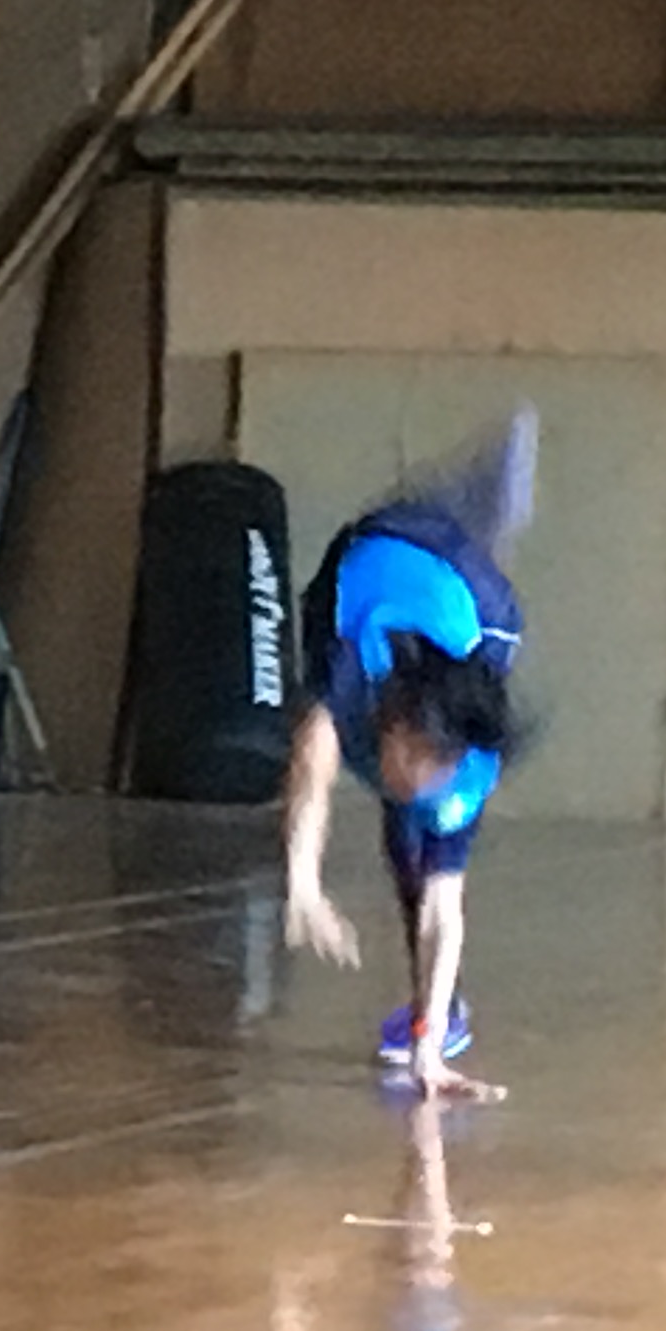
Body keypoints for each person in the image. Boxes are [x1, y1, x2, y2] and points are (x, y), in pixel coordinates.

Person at [282, 412, 533, 1103]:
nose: (423, 782)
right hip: (367, 558)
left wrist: (428, 1054)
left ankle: (437, 1016)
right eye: (416, 764)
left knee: (424, 854)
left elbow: (444, 910)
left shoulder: (467, 765)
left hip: (471, 593)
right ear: (392, 727)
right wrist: (303, 883)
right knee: (401, 830)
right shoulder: (352, 660)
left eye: (435, 773)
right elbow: (311, 768)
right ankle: (487, 481)